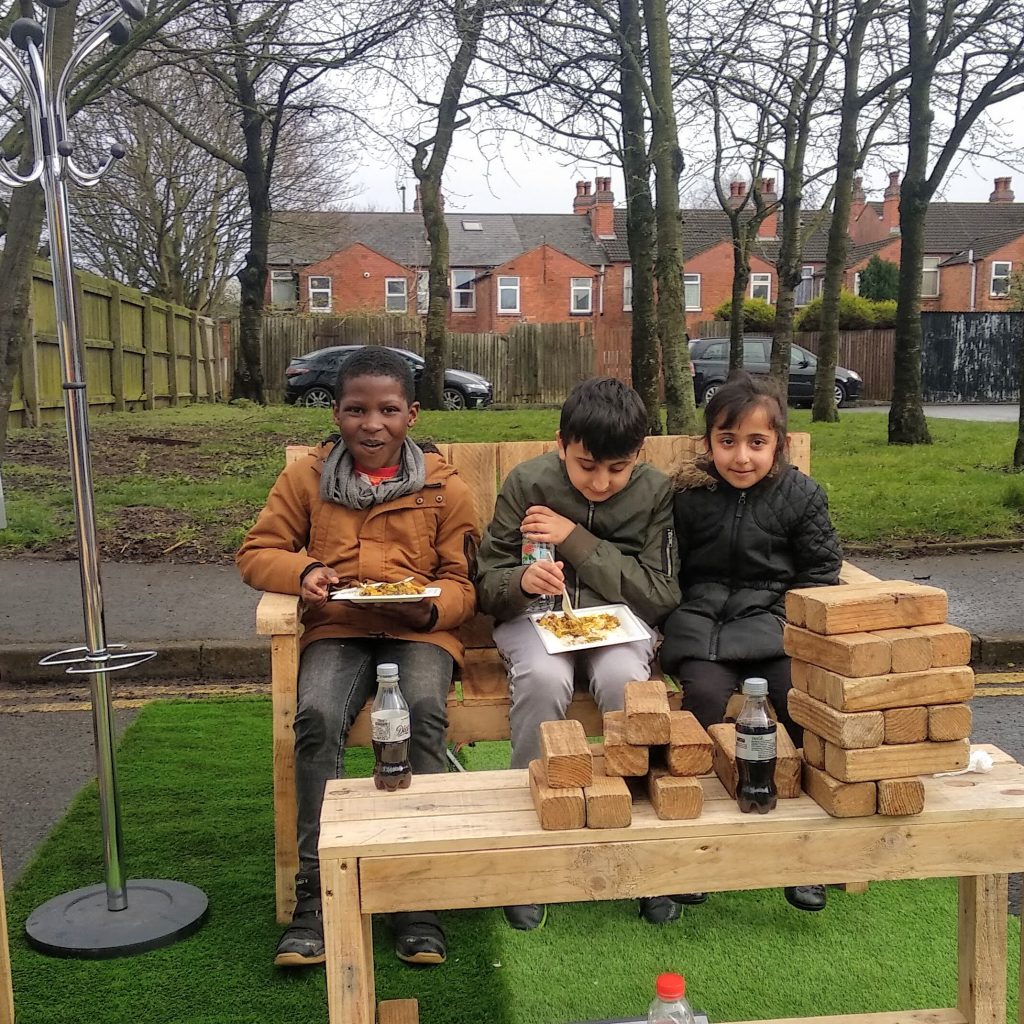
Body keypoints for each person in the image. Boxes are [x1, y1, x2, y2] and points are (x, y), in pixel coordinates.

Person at [237, 346, 477, 968]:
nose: (372, 424)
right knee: (315, 716)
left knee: (423, 712)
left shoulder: (443, 486)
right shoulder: (307, 479)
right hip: (338, 625)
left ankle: (416, 897)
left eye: (388, 409)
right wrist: (305, 570)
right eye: (356, 409)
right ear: (336, 412)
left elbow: (463, 580)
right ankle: (315, 898)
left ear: (413, 414)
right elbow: (257, 551)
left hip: (417, 631)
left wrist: (430, 610)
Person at [476, 377, 681, 930]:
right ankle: (528, 849)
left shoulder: (654, 491)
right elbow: (486, 585)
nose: (600, 481)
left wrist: (574, 540)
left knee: (626, 684)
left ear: (639, 455)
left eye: (617, 469)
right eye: (586, 464)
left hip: (620, 624)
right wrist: (522, 581)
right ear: (561, 443)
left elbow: (661, 593)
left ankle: (641, 850)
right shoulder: (526, 482)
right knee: (543, 680)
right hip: (537, 621)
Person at [659, 370, 843, 912]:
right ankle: (696, 852)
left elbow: (820, 571)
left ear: (779, 445)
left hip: (773, 630)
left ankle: (804, 858)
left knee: (799, 709)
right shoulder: (689, 496)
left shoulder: (801, 495)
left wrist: (784, 619)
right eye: (728, 441)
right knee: (701, 710)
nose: (742, 456)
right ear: (709, 442)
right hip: (701, 629)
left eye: (757, 443)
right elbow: (672, 569)